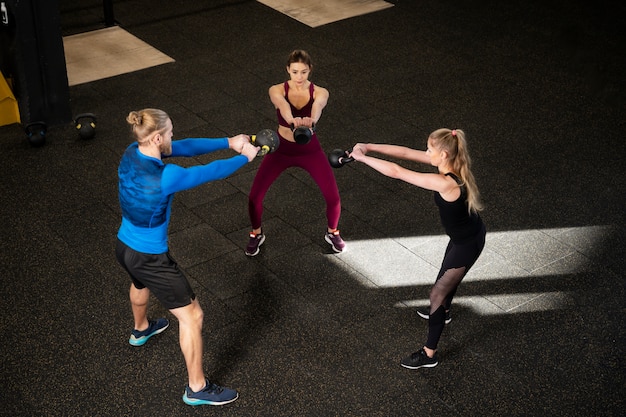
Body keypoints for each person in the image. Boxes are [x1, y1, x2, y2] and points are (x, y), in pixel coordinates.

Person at [115, 108, 259, 406]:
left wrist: (228, 141)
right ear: (157, 137)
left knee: (139, 284)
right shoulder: (167, 176)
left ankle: (141, 329)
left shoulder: (132, 151)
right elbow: (209, 172)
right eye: (169, 134)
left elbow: (187, 147)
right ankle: (197, 387)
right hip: (151, 258)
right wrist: (245, 156)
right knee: (192, 316)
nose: (173, 138)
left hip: (124, 247)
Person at [349, 128, 486, 369]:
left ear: (443, 154)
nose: (425, 153)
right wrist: (369, 146)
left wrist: (361, 158)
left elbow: (397, 172)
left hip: (468, 243)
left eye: (429, 150)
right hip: (464, 236)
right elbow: (405, 153)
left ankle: (428, 354)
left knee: (436, 294)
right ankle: (445, 310)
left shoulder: (445, 182)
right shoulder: (450, 163)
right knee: (446, 278)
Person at [245, 49, 345, 256]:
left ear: (310, 71)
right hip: (281, 149)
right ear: (288, 70)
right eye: (295, 72)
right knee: (255, 197)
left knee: (333, 198)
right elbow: (282, 106)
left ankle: (332, 232)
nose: (299, 77)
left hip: (309, 151)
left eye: (304, 72)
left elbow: (318, 106)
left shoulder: (320, 92)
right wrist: (292, 121)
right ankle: (256, 234)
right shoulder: (276, 89)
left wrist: (313, 120)